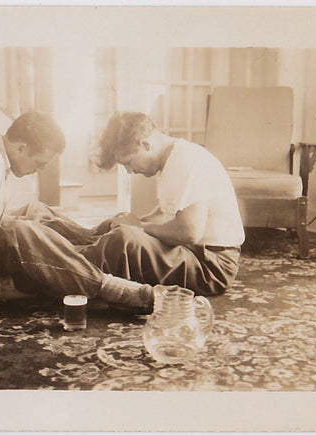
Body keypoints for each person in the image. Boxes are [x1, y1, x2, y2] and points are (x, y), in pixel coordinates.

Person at [0, 111, 168, 313]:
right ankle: (117, 288)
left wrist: (33, 225)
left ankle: (91, 241)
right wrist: (29, 231)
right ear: (21, 148)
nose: (40, 169)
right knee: (24, 231)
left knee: (35, 210)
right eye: (40, 162)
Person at [79, 111, 245, 296]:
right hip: (195, 252)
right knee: (115, 225)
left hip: (212, 266)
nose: (129, 171)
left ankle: (69, 272)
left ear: (145, 144)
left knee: (123, 239)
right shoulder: (173, 158)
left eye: (128, 162)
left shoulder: (186, 160)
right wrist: (132, 222)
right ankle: (71, 258)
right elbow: (166, 214)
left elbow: (190, 232)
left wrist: (139, 226)